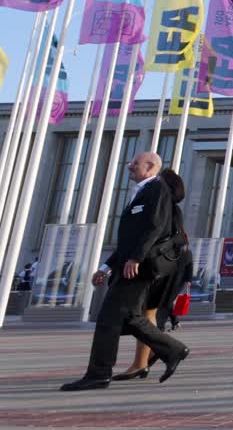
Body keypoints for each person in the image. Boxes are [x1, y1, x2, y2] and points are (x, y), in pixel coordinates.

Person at [60, 152, 190, 391]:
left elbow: (154, 227)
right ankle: (173, 350)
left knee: (108, 320)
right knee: (130, 318)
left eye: (135, 163)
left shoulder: (157, 189)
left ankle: (99, 374)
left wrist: (136, 257)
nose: (129, 166)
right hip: (129, 265)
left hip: (139, 268)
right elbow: (129, 238)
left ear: (150, 167)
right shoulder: (141, 192)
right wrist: (106, 267)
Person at [114, 168, 191, 381]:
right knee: (148, 314)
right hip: (165, 269)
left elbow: (153, 233)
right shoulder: (173, 209)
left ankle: (165, 348)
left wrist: (136, 258)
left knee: (135, 314)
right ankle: (142, 362)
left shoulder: (163, 206)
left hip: (155, 269)